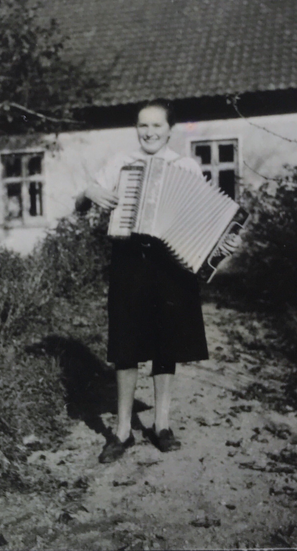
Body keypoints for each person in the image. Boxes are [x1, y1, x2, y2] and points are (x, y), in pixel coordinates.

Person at [76, 100, 209, 463]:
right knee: (126, 341)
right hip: (130, 257)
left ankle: (161, 424)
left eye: (156, 126)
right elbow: (80, 202)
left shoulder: (186, 166)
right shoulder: (121, 162)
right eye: (143, 126)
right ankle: (122, 431)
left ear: (170, 129)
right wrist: (89, 193)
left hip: (171, 261)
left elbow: (200, 214)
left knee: (167, 340)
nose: (149, 132)